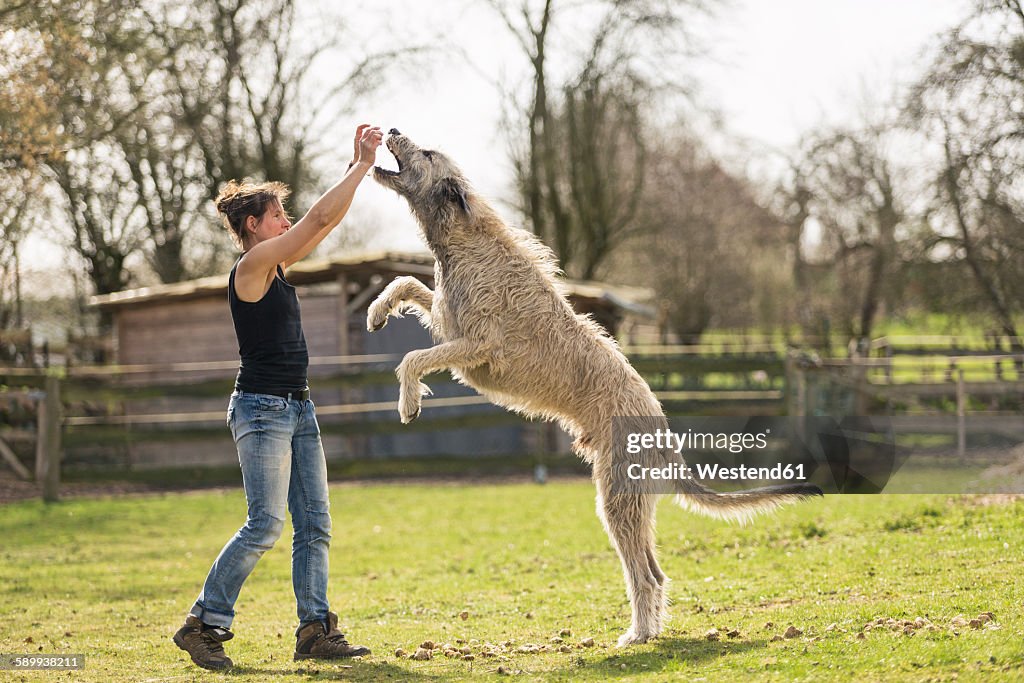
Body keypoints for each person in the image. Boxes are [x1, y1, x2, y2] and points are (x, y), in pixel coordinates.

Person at [173, 124, 383, 671]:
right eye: (276, 218)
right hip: (262, 410)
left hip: (298, 407)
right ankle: (203, 624)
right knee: (264, 524)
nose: (286, 224)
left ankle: (315, 630)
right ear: (252, 226)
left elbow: (324, 221)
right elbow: (316, 220)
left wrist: (354, 169)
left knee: (314, 523)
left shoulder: (276, 265)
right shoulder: (251, 268)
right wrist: (360, 166)